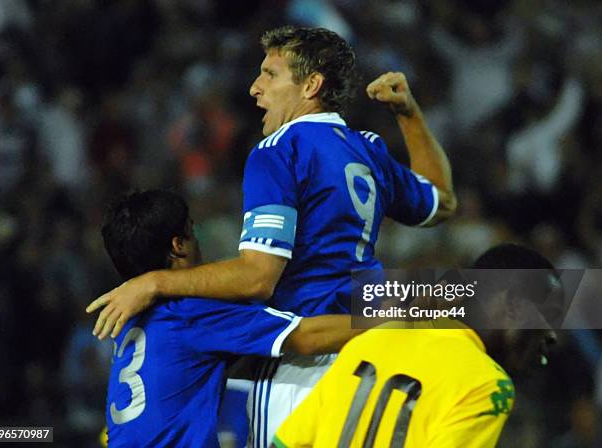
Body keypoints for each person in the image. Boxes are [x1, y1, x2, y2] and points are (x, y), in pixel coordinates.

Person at [88, 26, 456, 446]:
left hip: (299, 366)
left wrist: (153, 281)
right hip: (368, 359)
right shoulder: (367, 148)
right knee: (523, 299)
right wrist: (408, 113)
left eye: (270, 74)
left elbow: (257, 277)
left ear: (311, 85)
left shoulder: (279, 150)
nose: (254, 88)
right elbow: (442, 202)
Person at [100, 190, 363, 447]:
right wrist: (397, 314)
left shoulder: (130, 319)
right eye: (193, 231)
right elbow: (307, 337)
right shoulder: (190, 311)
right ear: (178, 245)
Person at [272, 243, 560, 448]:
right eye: (547, 316)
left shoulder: (373, 340)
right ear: (511, 304)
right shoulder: (487, 384)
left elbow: (286, 442)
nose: (551, 335)